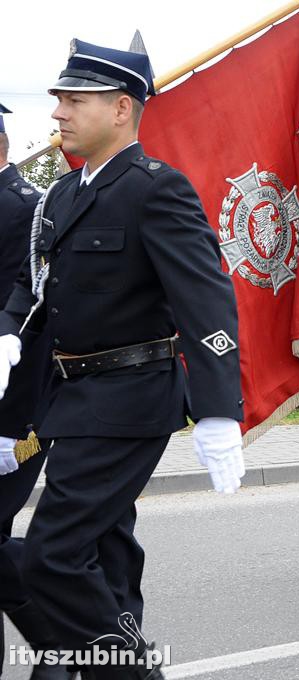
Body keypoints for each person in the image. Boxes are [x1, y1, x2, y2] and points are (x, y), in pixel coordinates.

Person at [0, 39, 245, 680]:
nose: (58, 114)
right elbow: (35, 292)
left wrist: (220, 412)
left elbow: (207, 300)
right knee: (99, 553)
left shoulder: (155, 191)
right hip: (67, 398)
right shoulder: (59, 197)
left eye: (74, 101)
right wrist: (6, 338)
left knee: (51, 555)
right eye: (57, 100)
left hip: (130, 395)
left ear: (121, 109)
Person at [0, 103, 78, 680]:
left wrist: (16, 426)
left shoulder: (27, 210)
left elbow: (36, 322)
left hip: (12, 412)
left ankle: (57, 642)